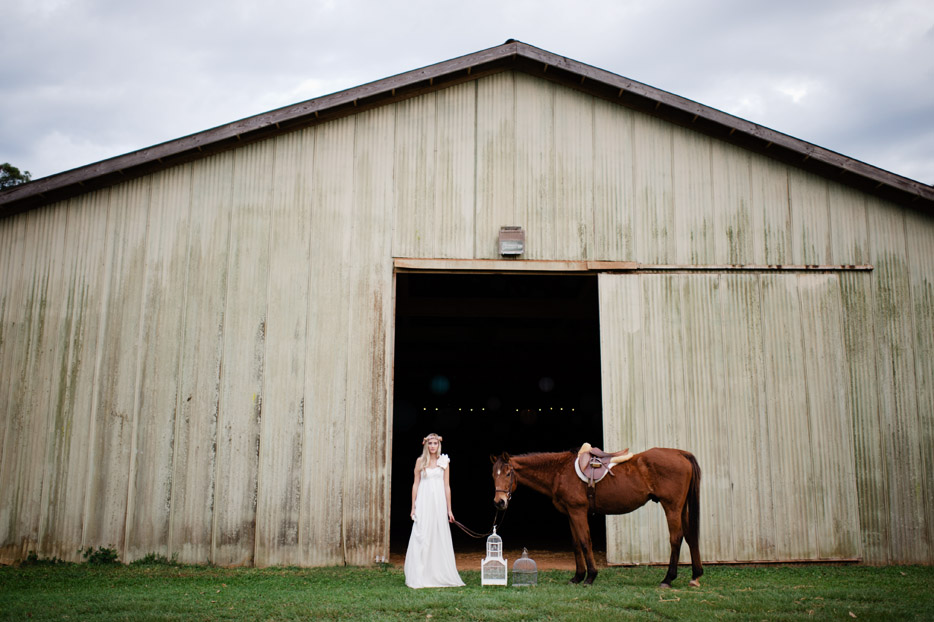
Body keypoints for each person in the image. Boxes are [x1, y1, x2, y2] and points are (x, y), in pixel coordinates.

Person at [403, 432, 465, 588]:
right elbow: (415, 484)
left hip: (438, 503)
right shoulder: (420, 461)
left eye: (435, 443)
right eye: (430, 443)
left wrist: (449, 510)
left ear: (439, 445)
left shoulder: (444, 462)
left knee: (438, 535)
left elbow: (447, 486)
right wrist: (413, 506)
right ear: (426, 445)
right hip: (424, 502)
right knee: (421, 535)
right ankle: (419, 575)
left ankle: (438, 573)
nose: (432, 446)